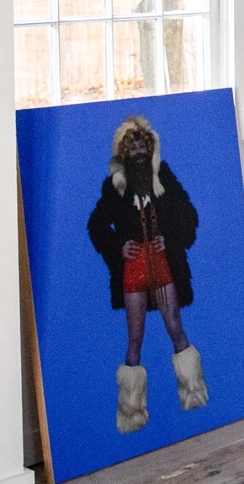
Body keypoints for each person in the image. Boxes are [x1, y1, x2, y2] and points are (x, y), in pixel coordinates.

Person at [87, 115, 208, 435]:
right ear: (124, 153)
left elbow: (188, 214)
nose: (139, 151)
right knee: (135, 340)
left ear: (150, 148)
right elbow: (96, 226)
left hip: (162, 261)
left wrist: (171, 238)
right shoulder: (113, 188)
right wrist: (117, 247)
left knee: (175, 328)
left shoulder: (164, 177)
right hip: (134, 266)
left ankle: (194, 394)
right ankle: (131, 412)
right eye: (133, 147)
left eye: (144, 145)